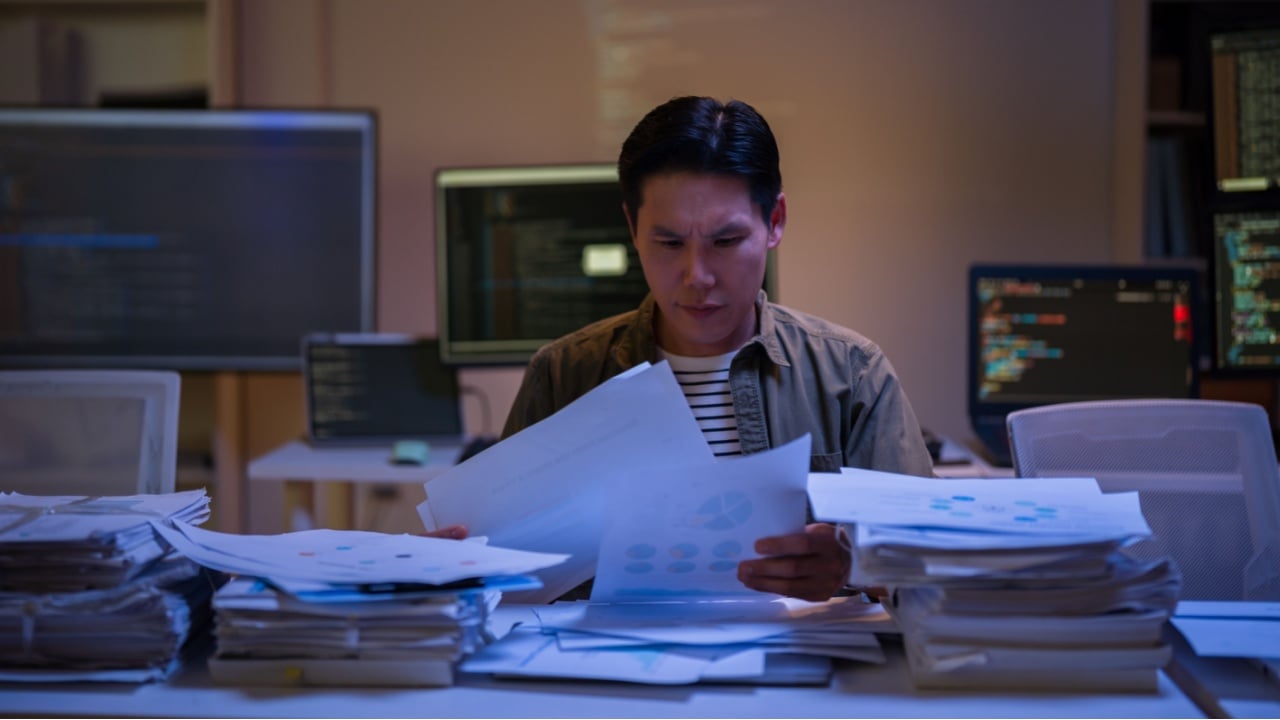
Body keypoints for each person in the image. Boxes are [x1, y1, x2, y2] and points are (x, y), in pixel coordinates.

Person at [487, 95, 935, 602]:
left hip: (803, 670)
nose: (696, 277)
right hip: (614, 675)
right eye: (670, 243)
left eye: (725, 242)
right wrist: (452, 567)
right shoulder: (563, 375)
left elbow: (931, 566)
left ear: (776, 221)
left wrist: (856, 564)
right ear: (632, 228)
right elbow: (505, 576)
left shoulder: (851, 374)